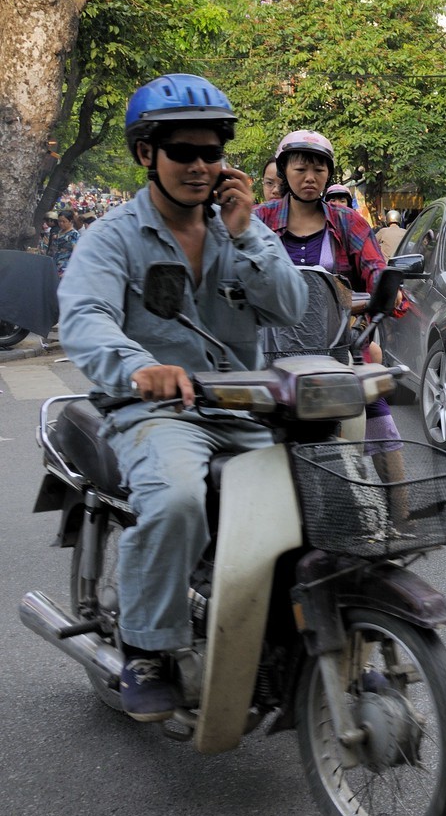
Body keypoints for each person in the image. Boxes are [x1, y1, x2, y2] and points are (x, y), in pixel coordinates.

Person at [56, 73, 306, 721]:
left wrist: (249, 232)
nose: (200, 166)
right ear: (147, 155)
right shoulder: (113, 237)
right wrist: (141, 367)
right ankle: (148, 647)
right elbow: (84, 318)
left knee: (317, 500)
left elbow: (290, 305)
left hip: (244, 406)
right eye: (183, 153)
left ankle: (285, 635)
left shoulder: (240, 228)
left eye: (212, 152)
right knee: (176, 499)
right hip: (157, 412)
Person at [253, 130, 404, 462]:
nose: (310, 178)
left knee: (379, 415)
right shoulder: (258, 221)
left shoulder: (348, 221)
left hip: (339, 346)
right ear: (284, 172)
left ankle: (401, 511)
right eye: (300, 169)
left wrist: (387, 290)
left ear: (328, 175)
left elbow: (375, 267)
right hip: (266, 352)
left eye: (319, 170)